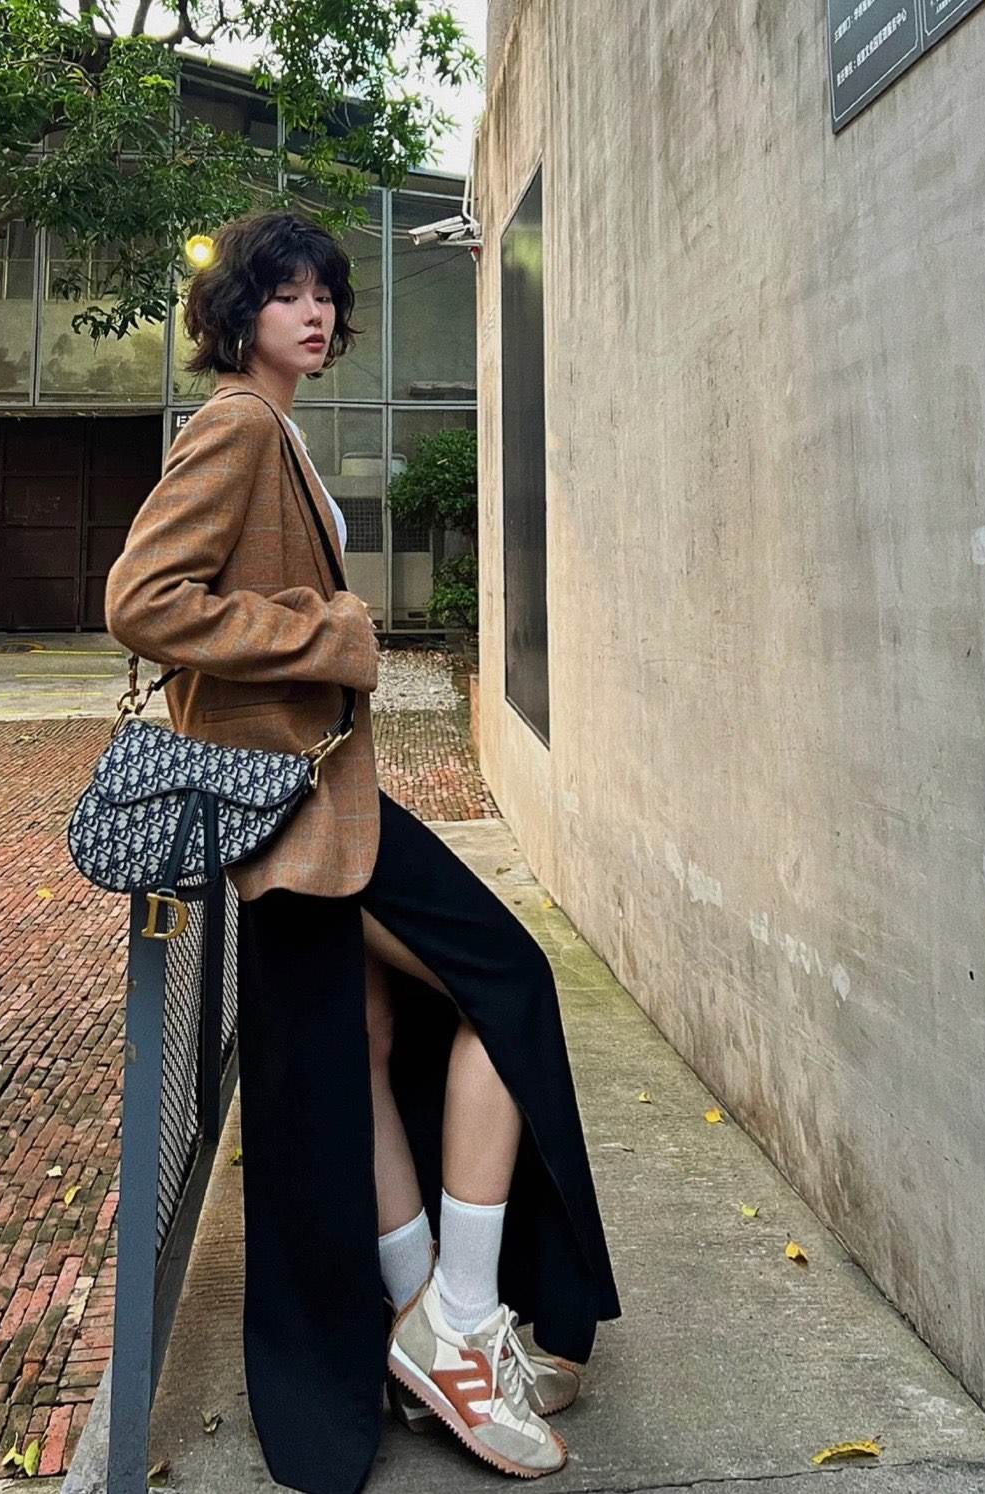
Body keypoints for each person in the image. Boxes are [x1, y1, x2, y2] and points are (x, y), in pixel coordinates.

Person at [104, 210, 620, 1494]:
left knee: (374, 1039)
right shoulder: (236, 425)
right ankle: (462, 1318)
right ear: (239, 315)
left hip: (318, 802)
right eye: (287, 293)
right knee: (509, 984)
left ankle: (424, 1317)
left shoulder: (279, 430)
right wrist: (323, 633)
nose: (317, 311)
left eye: (327, 293)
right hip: (300, 804)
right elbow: (142, 599)